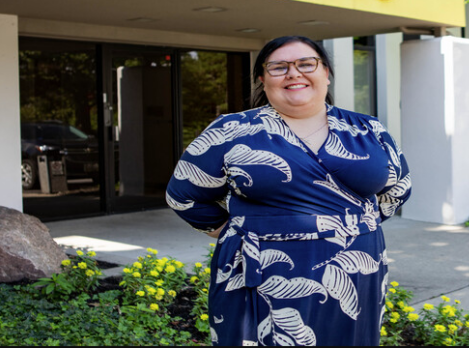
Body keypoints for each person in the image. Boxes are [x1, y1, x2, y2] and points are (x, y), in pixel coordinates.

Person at [165, 36, 411, 346]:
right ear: (262, 79)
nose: (294, 73)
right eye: (279, 67)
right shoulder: (230, 130)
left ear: (326, 72)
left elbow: (398, 187)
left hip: (358, 270)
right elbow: (184, 194)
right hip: (260, 271)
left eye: (306, 64)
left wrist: (354, 226)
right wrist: (236, 229)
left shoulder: (368, 129)